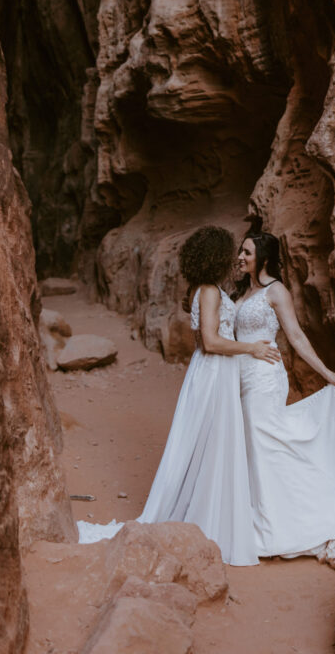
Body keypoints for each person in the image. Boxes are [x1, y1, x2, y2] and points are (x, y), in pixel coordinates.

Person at [77, 225, 280, 566]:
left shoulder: (206, 289)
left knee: (205, 445)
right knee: (207, 443)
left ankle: (206, 515)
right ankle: (204, 520)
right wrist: (252, 349)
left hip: (214, 371)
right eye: (228, 252)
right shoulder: (210, 292)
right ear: (213, 257)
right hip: (215, 371)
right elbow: (211, 342)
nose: (234, 259)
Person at [233, 232, 335, 568]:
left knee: (262, 447)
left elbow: (296, 336)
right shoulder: (245, 292)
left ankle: (281, 526)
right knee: (255, 451)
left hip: (264, 380)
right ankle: (261, 517)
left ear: (264, 259)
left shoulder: (276, 291)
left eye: (247, 252)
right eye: (240, 251)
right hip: (240, 380)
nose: (240, 257)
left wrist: (326, 372)